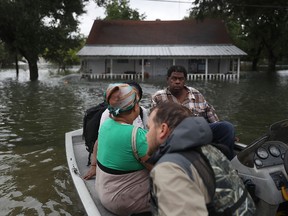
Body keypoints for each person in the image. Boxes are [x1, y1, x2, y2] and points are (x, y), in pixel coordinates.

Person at [146, 102, 255, 216]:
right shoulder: (210, 150)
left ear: (163, 129)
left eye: (149, 128)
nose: (146, 135)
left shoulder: (169, 169)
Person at [151, 65, 236, 160]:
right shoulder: (158, 97)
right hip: (175, 134)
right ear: (168, 79)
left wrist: (228, 134)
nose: (177, 82)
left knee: (226, 127)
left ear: (185, 80)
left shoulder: (195, 93)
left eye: (181, 79)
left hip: (199, 131)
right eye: (174, 78)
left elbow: (210, 114)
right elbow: (155, 123)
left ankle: (227, 162)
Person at [95, 83, 151, 216]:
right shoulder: (136, 135)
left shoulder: (106, 124)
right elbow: (157, 169)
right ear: (135, 107)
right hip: (124, 203)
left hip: (103, 193)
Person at [83, 81, 149, 180]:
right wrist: (93, 166)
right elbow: (99, 141)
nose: (126, 99)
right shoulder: (108, 115)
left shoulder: (143, 112)